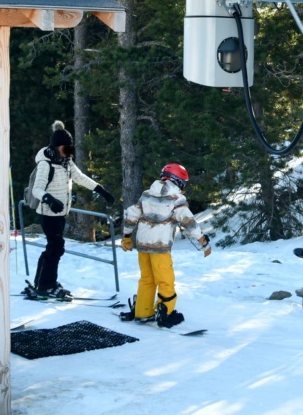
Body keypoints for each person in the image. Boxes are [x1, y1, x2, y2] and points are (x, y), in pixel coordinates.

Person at [25, 120, 114, 300]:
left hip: (61, 212)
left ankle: (42, 281)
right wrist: (49, 199)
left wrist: (100, 189)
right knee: (56, 248)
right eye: (64, 148)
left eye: (69, 148)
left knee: (53, 248)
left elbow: (80, 177)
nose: (67, 152)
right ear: (56, 147)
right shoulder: (45, 164)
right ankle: (46, 285)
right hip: (48, 213)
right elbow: (37, 189)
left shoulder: (66, 162)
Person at [119, 163, 211, 327]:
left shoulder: (147, 195)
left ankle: (143, 312)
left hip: (142, 245)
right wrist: (203, 241)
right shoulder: (177, 199)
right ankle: (166, 314)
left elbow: (132, 214)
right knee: (165, 282)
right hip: (160, 248)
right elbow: (188, 222)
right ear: (179, 181)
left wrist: (126, 235)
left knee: (147, 279)